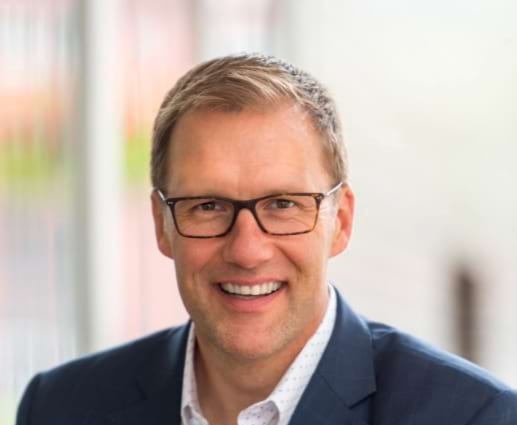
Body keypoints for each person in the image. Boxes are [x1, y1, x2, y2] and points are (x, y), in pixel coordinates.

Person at [17, 53, 517, 425]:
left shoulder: (473, 416)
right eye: (208, 206)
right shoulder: (60, 408)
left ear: (340, 221)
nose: (247, 250)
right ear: (161, 224)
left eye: (282, 204)